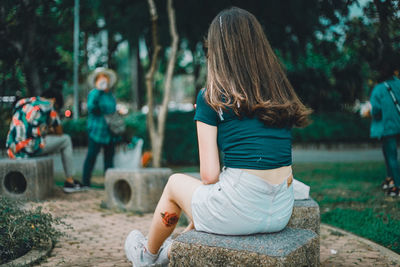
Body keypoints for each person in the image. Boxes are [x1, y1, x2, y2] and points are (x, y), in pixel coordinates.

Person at [124, 7, 311, 266]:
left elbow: (209, 175)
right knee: (210, 194)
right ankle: (175, 244)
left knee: (175, 184)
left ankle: (147, 255)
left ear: (218, 49)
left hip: (241, 209)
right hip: (280, 209)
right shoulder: (279, 92)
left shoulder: (211, 96)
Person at [6, 89, 84, 193]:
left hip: (13, 150)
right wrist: (49, 130)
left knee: (41, 141)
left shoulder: (26, 102)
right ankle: (70, 181)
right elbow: (59, 132)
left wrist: (42, 131)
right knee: (66, 140)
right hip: (29, 148)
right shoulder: (49, 105)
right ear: (54, 100)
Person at [364, 68, 400, 197]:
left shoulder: (378, 88)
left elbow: (376, 109)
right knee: (391, 156)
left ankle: (397, 186)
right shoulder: (398, 84)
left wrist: (368, 112)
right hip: (398, 123)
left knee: (390, 156)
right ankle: (390, 180)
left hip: (388, 126)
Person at [82, 67, 119, 187]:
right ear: (97, 80)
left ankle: (109, 184)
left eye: (105, 77)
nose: (104, 80)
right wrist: (98, 91)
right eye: (101, 78)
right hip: (96, 130)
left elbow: (112, 111)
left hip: (109, 131)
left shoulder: (110, 95)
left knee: (109, 159)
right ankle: (85, 182)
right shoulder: (93, 93)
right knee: (91, 156)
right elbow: (91, 108)